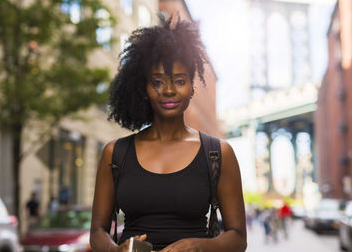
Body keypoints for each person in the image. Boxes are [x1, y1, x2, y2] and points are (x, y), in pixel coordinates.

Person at [90, 16, 247, 252]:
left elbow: (238, 238)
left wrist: (199, 247)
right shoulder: (116, 153)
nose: (169, 90)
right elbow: (97, 232)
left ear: (192, 88)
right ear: (144, 88)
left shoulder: (217, 153)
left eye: (180, 81)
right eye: (157, 82)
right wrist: (116, 250)